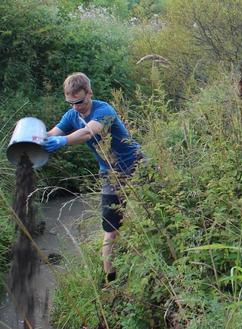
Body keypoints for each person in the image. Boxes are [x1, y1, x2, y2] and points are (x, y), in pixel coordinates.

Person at [43, 72, 143, 285]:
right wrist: (33, 137)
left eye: (79, 101)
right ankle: (111, 280)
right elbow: (53, 133)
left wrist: (63, 141)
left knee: (158, 205)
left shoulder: (104, 110)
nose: (76, 106)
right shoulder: (72, 115)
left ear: (89, 93)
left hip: (137, 164)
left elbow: (89, 133)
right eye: (71, 102)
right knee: (110, 227)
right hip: (109, 174)